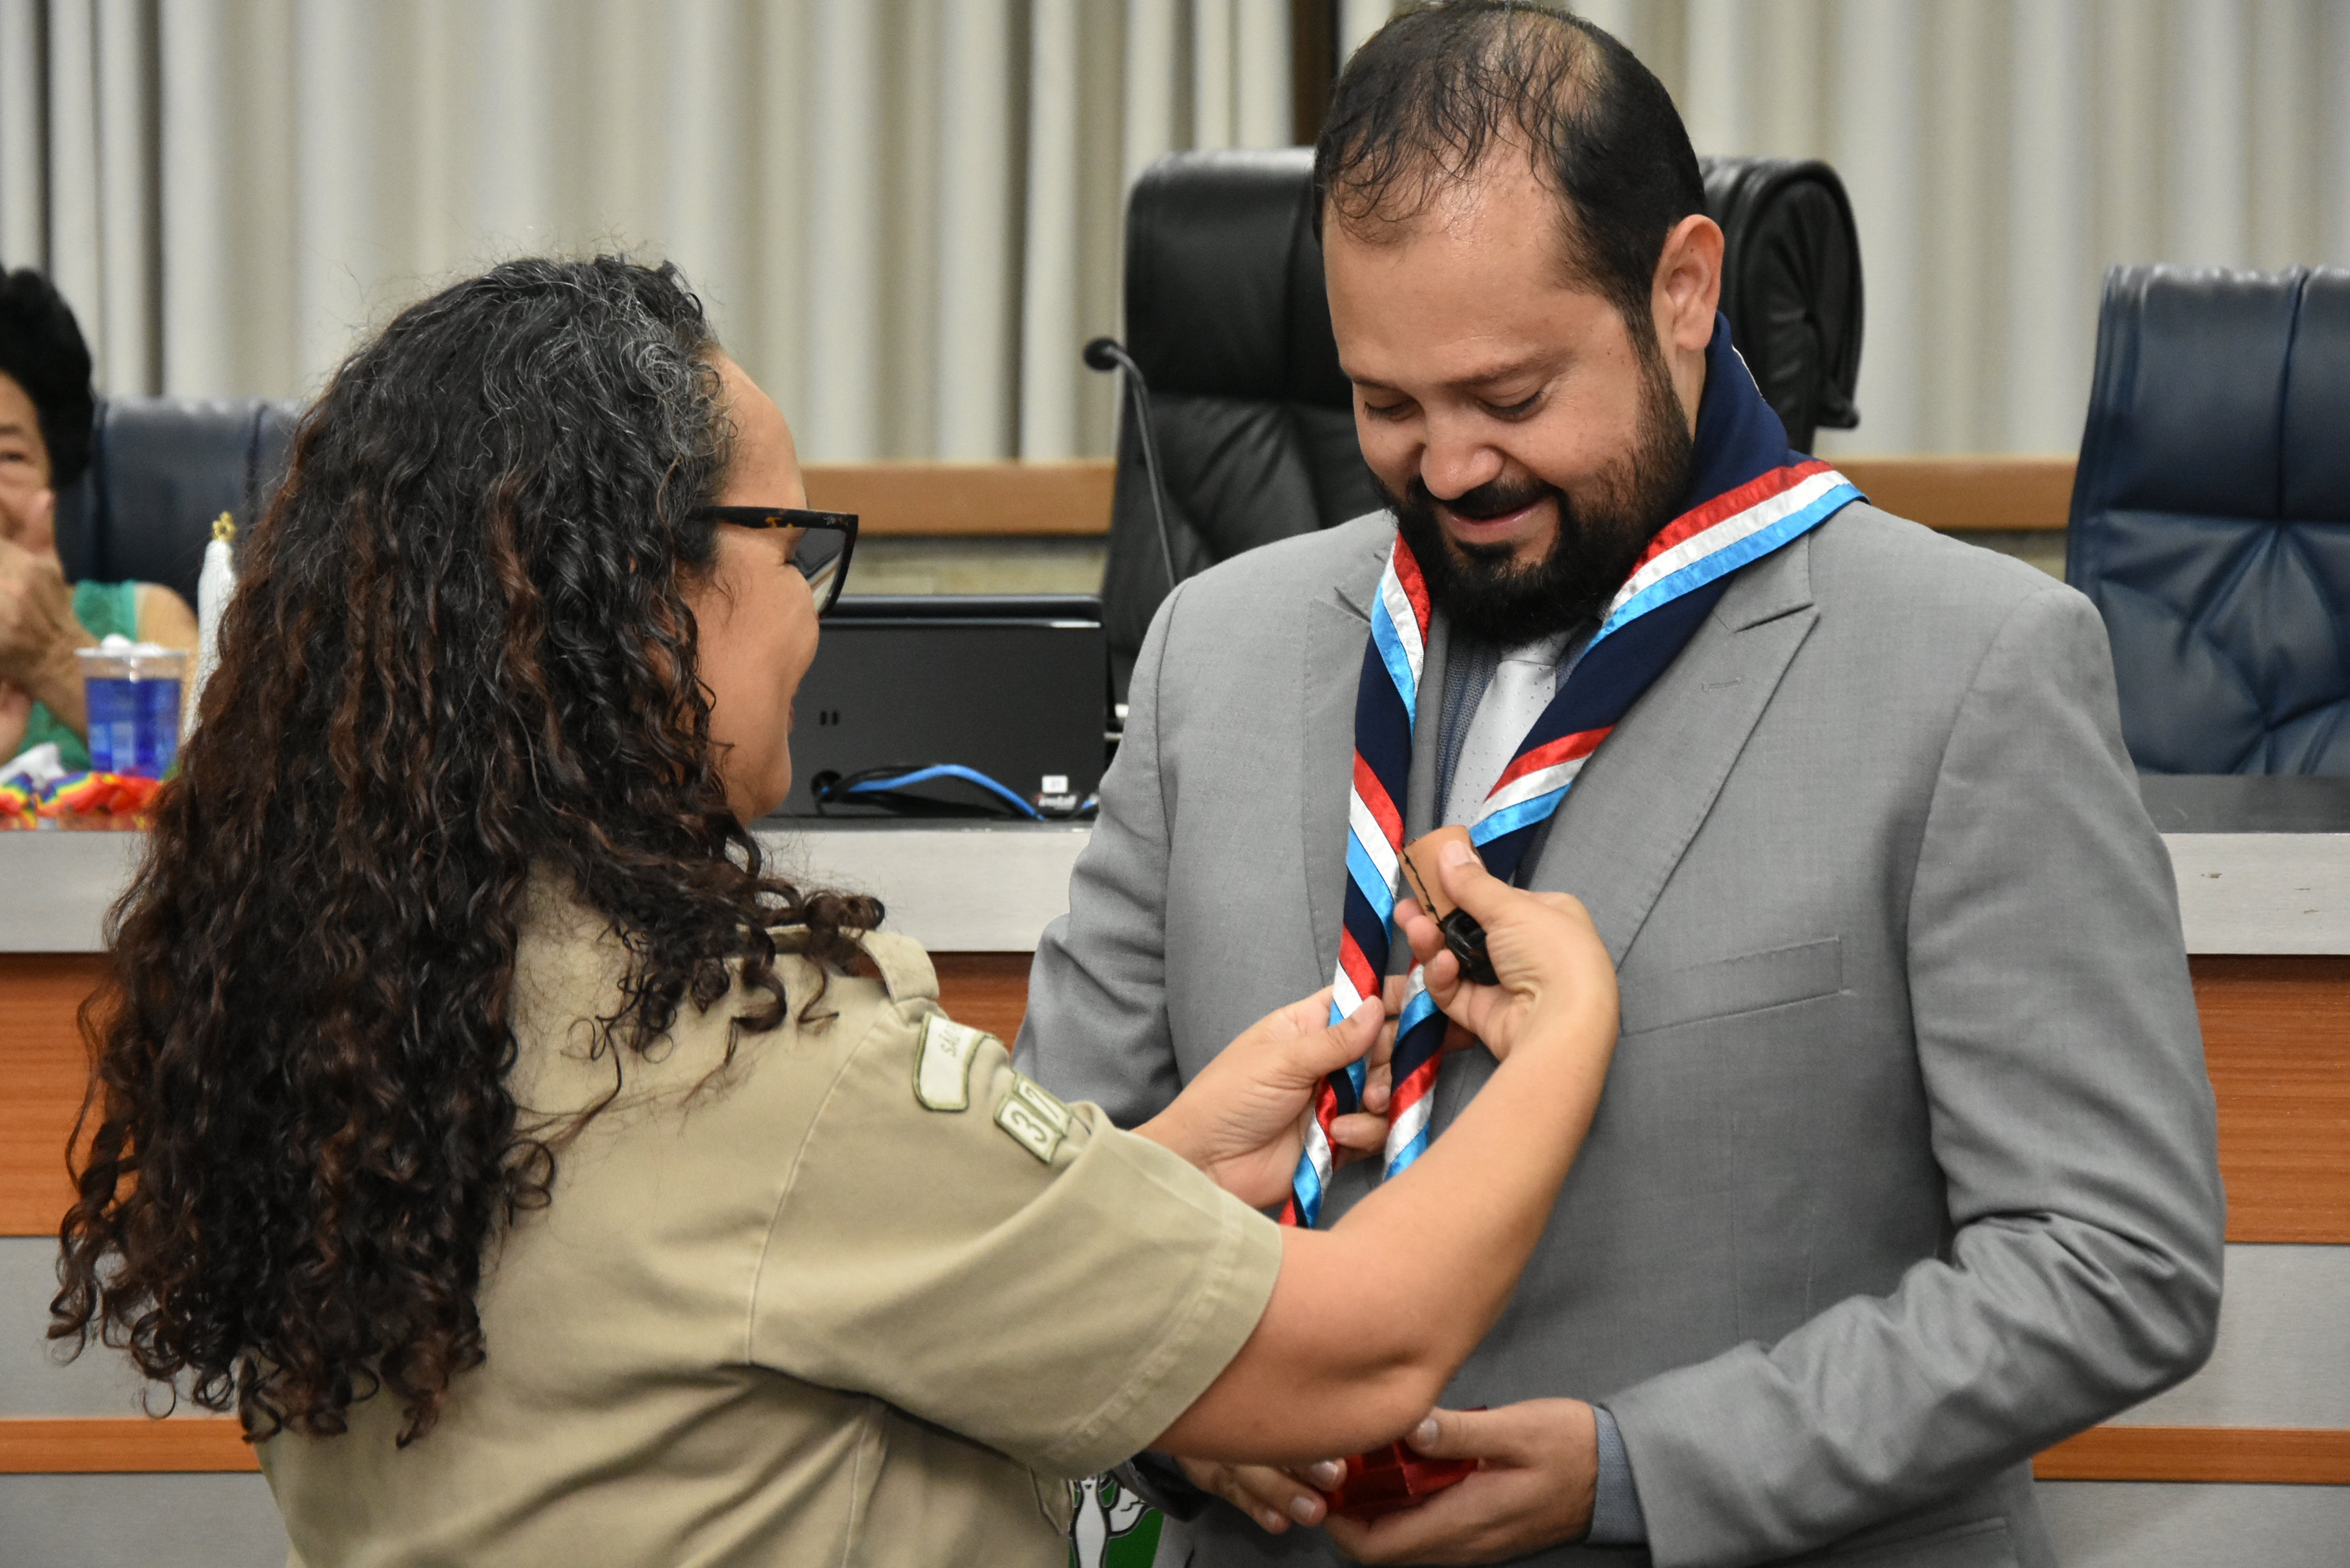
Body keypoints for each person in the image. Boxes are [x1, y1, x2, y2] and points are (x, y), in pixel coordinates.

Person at [48, 256, 1628, 1566]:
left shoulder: (361, 1005)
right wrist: (1565, 1032)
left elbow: (747, 1292)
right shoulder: (749, 1055)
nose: (813, 612)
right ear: (634, 589)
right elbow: (1357, 1347)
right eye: (790, 545)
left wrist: (1148, 1173)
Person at [1015, 6, 2225, 1566]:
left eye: (1512, 398)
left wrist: (1639, 1468)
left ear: (1682, 290)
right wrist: (1171, 1399)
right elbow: (1041, 1197)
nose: (1450, 467)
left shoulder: (1976, 667)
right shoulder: (1213, 651)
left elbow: (2114, 1260)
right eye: (1387, 405)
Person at [0, 268, 198, 768]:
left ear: (54, 475)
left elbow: (231, 783)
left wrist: (54, 655)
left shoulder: (146, 619)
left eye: (8, 457)